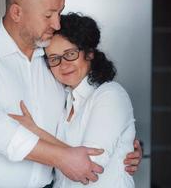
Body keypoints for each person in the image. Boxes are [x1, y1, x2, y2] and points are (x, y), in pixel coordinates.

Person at [0, 0, 142, 187]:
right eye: (48, 15)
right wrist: (63, 157)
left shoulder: (52, 57)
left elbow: (83, 115)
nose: (57, 23)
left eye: (59, 12)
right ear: (17, 13)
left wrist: (122, 144)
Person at [9, 12, 136, 187]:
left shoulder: (110, 94)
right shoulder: (65, 99)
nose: (63, 65)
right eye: (54, 58)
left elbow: (90, 167)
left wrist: (35, 132)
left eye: (70, 54)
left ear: (89, 53)